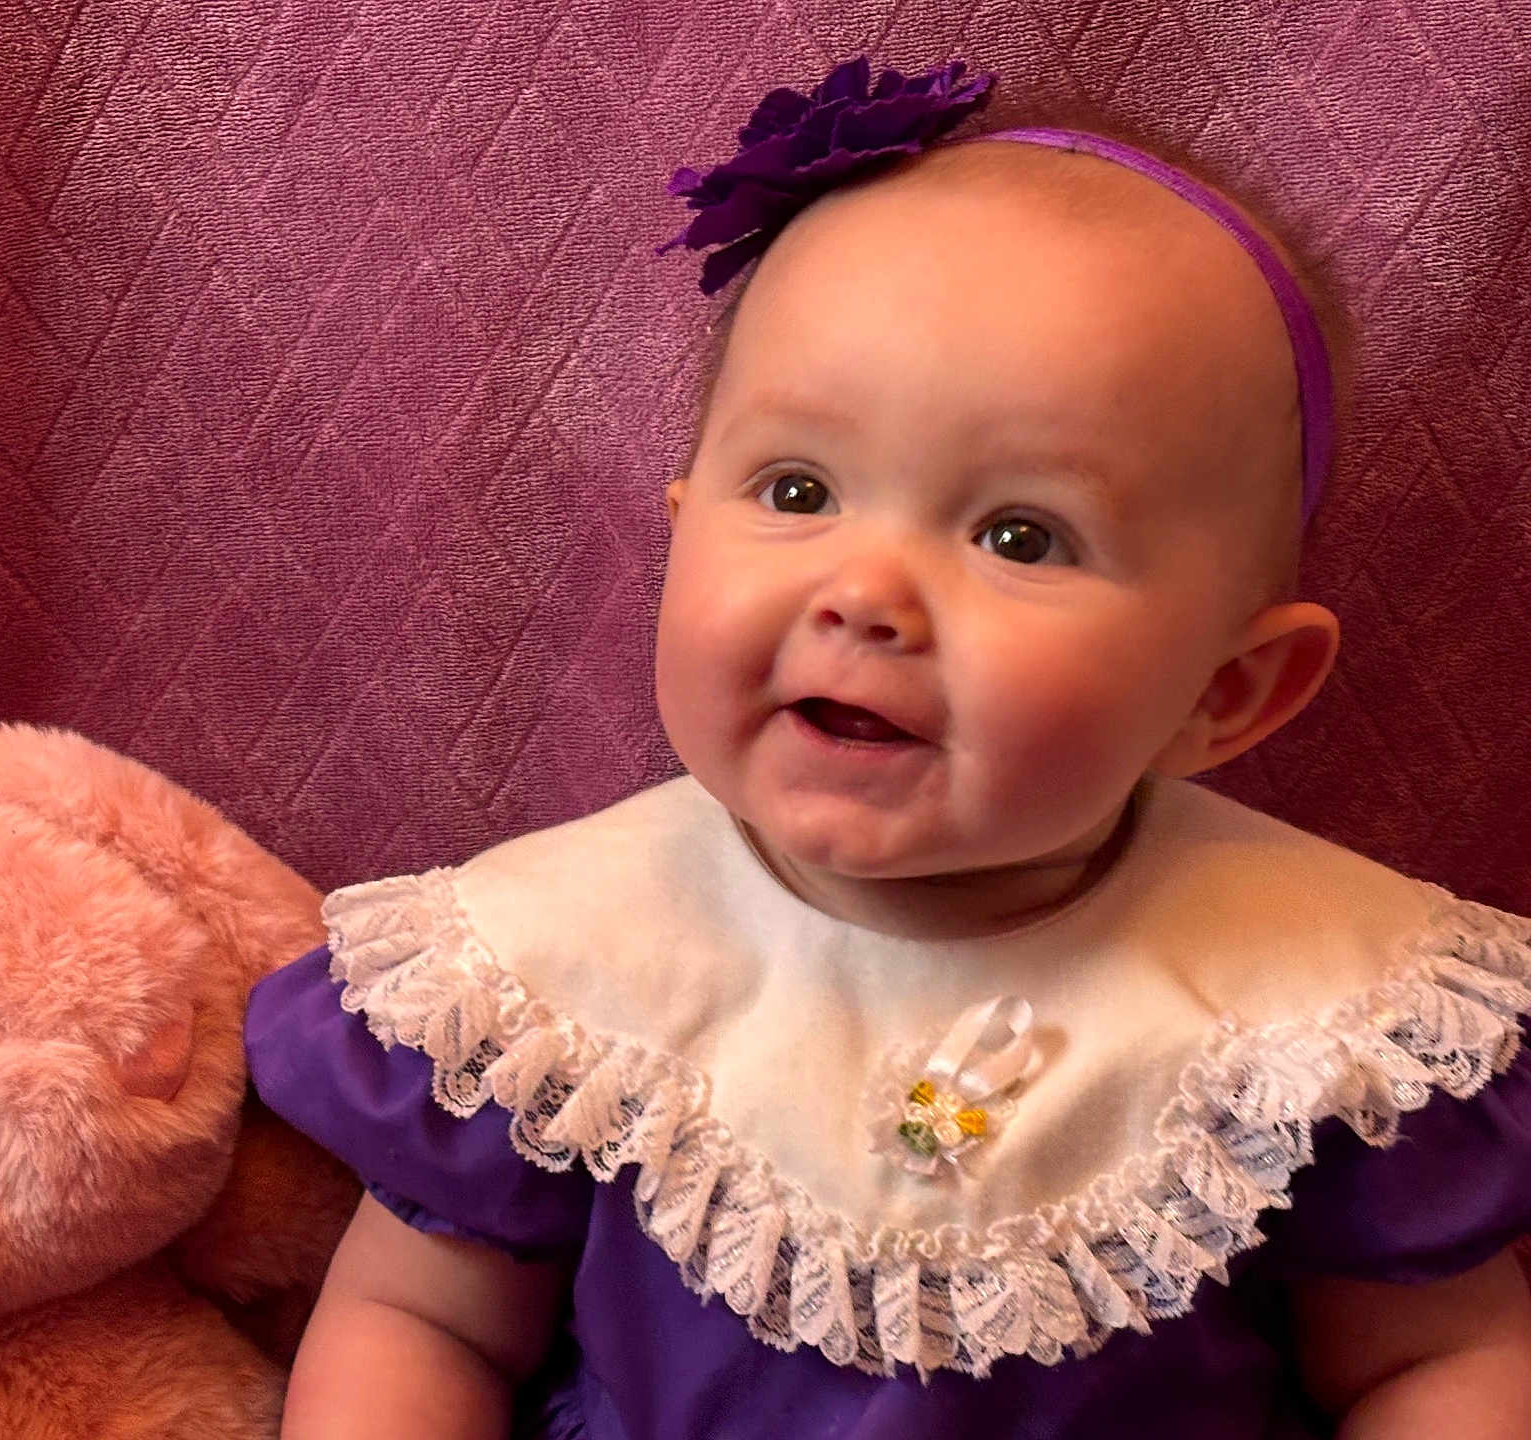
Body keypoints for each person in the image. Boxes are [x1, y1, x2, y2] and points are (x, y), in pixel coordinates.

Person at [244, 58, 1531, 1440]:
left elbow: (1431, 1361)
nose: (864, 592)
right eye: (797, 490)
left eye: (1019, 536)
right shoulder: (562, 968)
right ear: (678, 529)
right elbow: (416, 1321)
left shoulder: (1322, 1011)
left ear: (1231, 689)